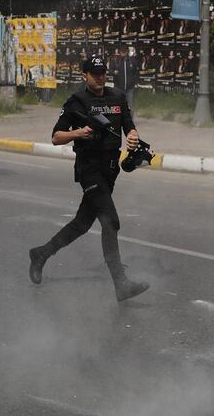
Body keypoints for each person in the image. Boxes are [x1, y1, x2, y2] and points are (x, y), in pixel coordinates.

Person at [29, 56, 149, 302]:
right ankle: (121, 284)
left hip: (110, 170)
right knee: (110, 222)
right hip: (89, 169)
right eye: (95, 73)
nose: (100, 77)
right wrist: (78, 133)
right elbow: (55, 137)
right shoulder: (77, 103)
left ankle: (41, 253)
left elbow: (129, 125)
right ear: (84, 76)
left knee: (82, 223)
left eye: (103, 72)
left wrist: (133, 137)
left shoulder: (117, 97)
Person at [112, 47, 139, 112]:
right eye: (122, 51)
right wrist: (113, 72)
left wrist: (134, 81)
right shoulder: (115, 60)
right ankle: (118, 121)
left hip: (129, 88)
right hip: (118, 87)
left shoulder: (132, 60)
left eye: (125, 51)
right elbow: (110, 69)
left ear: (127, 52)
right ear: (119, 51)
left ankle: (130, 121)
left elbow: (136, 72)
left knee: (130, 106)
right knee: (117, 107)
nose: (123, 53)